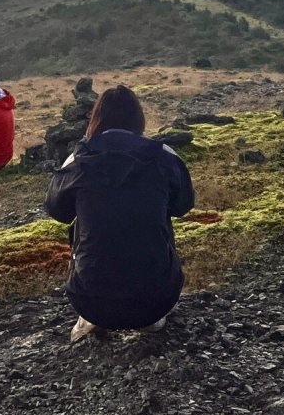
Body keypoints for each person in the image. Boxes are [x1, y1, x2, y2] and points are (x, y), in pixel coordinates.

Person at [44, 84, 194, 343]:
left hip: (89, 300)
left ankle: (92, 315)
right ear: (139, 118)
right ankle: (149, 304)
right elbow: (183, 205)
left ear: (96, 119)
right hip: (157, 302)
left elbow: (57, 210)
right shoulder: (162, 155)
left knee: (79, 224)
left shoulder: (79, 158)